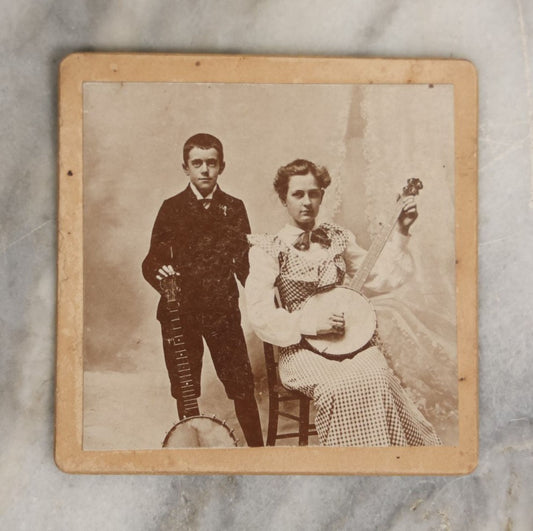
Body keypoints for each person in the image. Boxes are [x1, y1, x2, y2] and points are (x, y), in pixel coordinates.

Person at [245, 159, 441, 446]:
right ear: (283, 199)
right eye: (297, 194)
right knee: (338, 387)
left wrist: (400, 230)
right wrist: (312, 324)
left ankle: (384, 468)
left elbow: (380, 277)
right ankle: (348, 471)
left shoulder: (337, 238)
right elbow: (260, 314)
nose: (306, 202)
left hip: (352, 343)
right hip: (301, 350)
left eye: (313, 193)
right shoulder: (268, 249)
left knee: (377, 377)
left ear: (322, 195)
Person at [142, 133, 263, 447]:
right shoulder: (171, 208)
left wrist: (268, 295)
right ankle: (191, 450)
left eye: (212, 162)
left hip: (222, 311)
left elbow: (245, 263)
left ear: (222, 166)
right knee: (185, 387)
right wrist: (161, 272)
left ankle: (260, 454)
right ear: (185, 168)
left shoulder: (233, 208)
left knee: (241, 385)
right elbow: (150, 261)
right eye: (197, 163)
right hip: (180, 314)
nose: (205, 170)